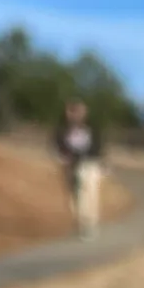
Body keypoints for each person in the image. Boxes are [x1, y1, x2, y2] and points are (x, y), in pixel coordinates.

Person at [54, 100, 104, 240]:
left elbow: (97, 147)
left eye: (78, 111)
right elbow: (59, 146)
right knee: (74, 197)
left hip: (89, 165)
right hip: (70, 166)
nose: (74, 115)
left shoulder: (92, 128)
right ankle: (80, 224)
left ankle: (89, 226)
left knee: (89, 195)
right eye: (72, 111)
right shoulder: (63, 129)